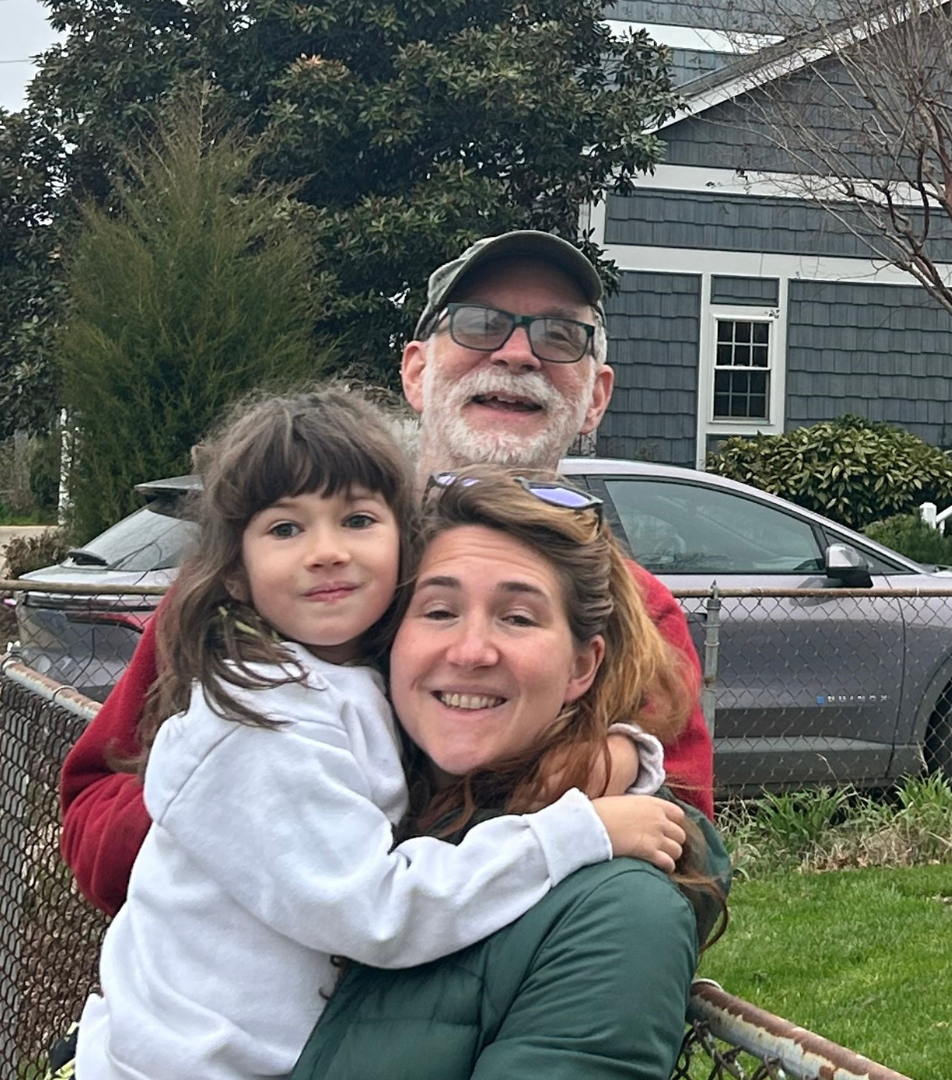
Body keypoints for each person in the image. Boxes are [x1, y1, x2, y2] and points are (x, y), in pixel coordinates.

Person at [59, 231, 717, 915]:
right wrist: (246, 802)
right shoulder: (267, 585)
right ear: (416, 372)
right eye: (479, 324)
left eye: (560, 336)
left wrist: (587, 771)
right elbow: (92, 812)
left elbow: (684, 866)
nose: (518, 353)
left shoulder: (636, 610)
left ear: (597, 397)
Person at [75, 391, 693, 1080]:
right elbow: (377, 909)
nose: (326, 552)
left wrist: (618, 754)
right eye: (286, 529)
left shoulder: (345, 680)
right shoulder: (261, 719)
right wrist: (575, 832)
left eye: (358, 519)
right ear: (234, 577)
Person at [290, 465, 728, 1080]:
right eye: (438, 611)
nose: (471, 651)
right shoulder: (336, 804)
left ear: (581, 667)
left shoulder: (617, 910)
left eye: (518, 618)